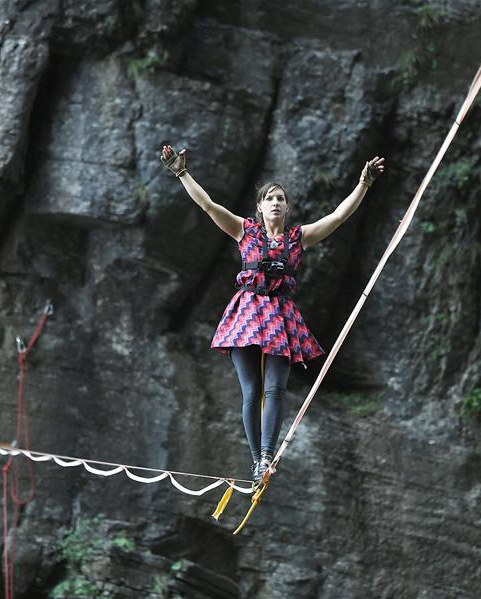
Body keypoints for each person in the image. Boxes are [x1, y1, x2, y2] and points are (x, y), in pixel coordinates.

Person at [160, 144, 385, 484]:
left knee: (275, 389)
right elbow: (207, 205)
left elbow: (338, 217)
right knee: (252, 390)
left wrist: (363, 184)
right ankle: (257, 460)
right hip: (248, 312)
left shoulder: (299, 239)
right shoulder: (244, 231)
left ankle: (267, 455)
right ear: (260, 207)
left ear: (287, 207)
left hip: (281, 315)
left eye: (281, 198)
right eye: (270, 198)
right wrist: (181, 172)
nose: (276, 203)